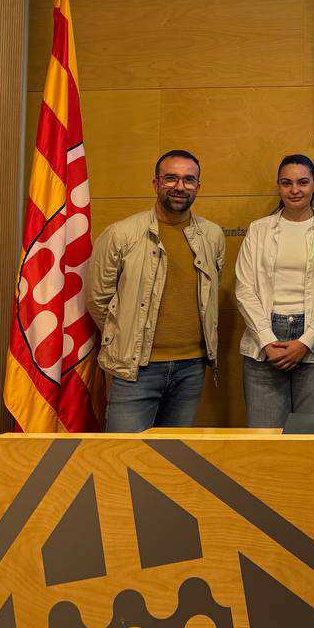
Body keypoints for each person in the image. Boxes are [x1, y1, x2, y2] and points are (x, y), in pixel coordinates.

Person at [87, 149, 225, 433]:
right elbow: (98, 299)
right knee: (125, 453)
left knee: (172, 456)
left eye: (189, 180)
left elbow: (210, 292)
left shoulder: (212, 236)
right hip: (135, 369)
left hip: (191, 368)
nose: (180, 186)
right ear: (156, 183)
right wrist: (126, 334)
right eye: (171, 178)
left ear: (198, 186)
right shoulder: (120, 234)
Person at [234, 154, 314, 429]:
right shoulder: (258, 230)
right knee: (266, 438)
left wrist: (306, 341)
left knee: (312, 437)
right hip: (263, 345)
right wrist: (267, 340)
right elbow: (244, 289)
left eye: (302, 182)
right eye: (287, 183)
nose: (295, 190)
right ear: (279, 186)